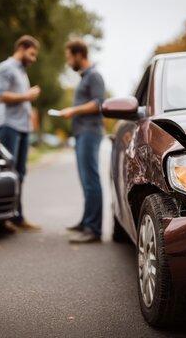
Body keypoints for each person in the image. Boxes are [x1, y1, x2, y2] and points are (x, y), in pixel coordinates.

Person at [0, 35, 41, 231]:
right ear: (22, 48)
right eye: (31, 54)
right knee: (8, 173)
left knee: (20, 173)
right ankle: (1, 219)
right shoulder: (5, 68)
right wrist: (26, 96)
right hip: (9, 126)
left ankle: (17, 217)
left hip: (22, 128)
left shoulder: (22, 71)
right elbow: (1, 96)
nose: (33, 59)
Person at [60, 39, 105, 243]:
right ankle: (86, 221)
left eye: (70, 58)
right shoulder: (85, 77)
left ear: (79, 55)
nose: (69, 62)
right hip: (80, 132)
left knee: (91, 181)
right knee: (85, 181)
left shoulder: (94, 76)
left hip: (90, 132)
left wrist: (73, 110)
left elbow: (98, 104)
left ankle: (93, 229)